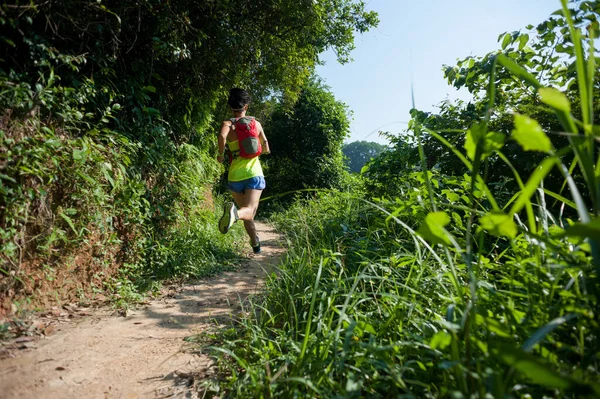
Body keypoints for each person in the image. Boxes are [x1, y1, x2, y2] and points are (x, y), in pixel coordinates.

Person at [217, 88, 270, 254]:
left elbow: (222, 137)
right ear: (245, 106)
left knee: (248, 214)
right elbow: (266, 146)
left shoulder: (228, 124)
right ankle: (235, 214)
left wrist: (220, 155)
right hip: (253, 174)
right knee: (247, 211)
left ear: (231, 107)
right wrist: (263, 149)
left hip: (235, 177)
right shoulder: (256, 124)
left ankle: (255, 244)